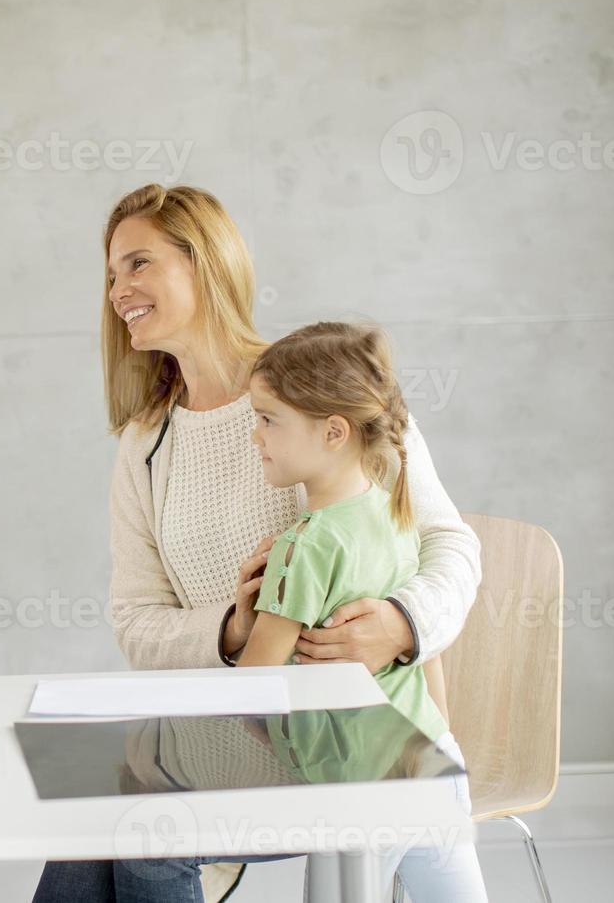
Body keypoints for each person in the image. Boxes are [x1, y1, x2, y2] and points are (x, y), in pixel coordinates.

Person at [33, 184, 481, 902]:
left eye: (138, 263)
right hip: (223, 736)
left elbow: (446, 544)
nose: (118, 290)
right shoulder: (146, 442)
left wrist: (400, 624)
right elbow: (136, 624)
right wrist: (234, 627)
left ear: (204, 262)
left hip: (333, 744)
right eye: (111, 273)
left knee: (143, 828)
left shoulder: (316, 386)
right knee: (90, 825)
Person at [235, 320, 487, 900]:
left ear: (333, 432)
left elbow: (253, 688)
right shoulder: (394, 511)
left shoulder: (304, 545)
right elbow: (426, 649)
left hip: (360, 789)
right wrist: (441, 739)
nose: (256, 436)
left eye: (268, 419)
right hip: (432, 763)